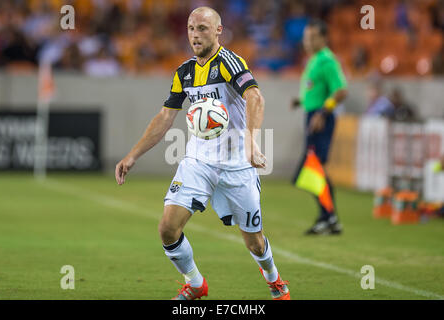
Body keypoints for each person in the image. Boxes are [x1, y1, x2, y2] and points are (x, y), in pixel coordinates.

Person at [115, 7, 290, 300]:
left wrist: (251, 142)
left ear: (219, 31)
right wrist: (132, 155)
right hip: (198, 162)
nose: (195, 35)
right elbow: (164, 117)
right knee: (167, 229)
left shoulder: (229, 63)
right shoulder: (183, 72)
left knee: (255, 243)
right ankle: (196, 284)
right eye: (191, 28)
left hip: (237, 164)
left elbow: (254, 96)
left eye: (203, 29)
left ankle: (274, 280)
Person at [291, 19, 348, 235]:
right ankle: (329, 218)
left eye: (312, 37)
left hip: (321, 119)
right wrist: (301, 101)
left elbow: (341, 91)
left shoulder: (327, 61)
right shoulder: (314, 60)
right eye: (306, 38)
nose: (307, 41)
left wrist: (323, 112)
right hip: (313, 115)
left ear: (324, 38)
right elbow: (314, 90)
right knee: (313, 170)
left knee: (311, 169)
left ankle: (329, 217)